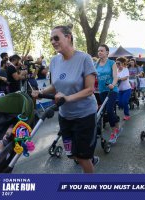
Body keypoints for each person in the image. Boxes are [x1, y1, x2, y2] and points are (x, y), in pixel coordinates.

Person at [32, 25, 99, 173]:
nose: (53, 42)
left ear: (68, 37)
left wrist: (67, 98)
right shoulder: (54, 61)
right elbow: (55, 86)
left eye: (56, 38)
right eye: (51, 39)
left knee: (82, 157)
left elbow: (90, 89)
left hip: (84, 115)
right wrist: (41, 91)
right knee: (71, 154)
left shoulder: (84, 58)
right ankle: (89, 159)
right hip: (65, 116)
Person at [96, 44, 121, 144]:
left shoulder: (111, 63)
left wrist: (112, 84)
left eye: (102, 51)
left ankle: (114, 131)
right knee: (106, 111)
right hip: (101, 91)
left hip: (112, 90)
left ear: (107, 52)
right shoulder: (95, 64)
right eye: (98, 51)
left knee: (110, 109)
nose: (99, 52)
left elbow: (115, 77)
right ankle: (117, 123)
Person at [116, 57, 131, 121]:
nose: (117, 64)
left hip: (127, 89)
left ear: (122, 63)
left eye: (118, 63)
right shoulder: (115, 70)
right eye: (116, 63)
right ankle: (126, 106)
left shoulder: (125, 69)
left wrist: (118, 79)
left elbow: (125, 78)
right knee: (119, 103)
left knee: (124, 102)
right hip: (119, 90)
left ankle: (127, 115)